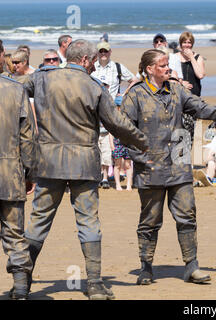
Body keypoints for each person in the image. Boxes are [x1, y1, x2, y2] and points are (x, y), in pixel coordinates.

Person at [22, 39, 150, 300]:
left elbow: (14, 92)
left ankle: (22, 283)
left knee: (38, 223)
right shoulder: (94, 87)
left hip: (49, 164)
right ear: (84, 60)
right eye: (91, 62)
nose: (93, 66)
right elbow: (117, 124)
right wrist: (142, 141)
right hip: (83, 165)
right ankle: (94, 285)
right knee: (88, 222)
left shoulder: (43, 78)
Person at [120, 49, 216, 286]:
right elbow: (124, 130)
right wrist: (140, 157)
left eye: (168, 65)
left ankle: (191, 267)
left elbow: (198, 107)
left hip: (179, 165)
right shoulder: (135, 95)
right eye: (163, 65)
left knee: (187, 216)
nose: (168, 69)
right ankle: (146, 267)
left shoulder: (177, 90)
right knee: (150, 221)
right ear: (150, 69)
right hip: (150, 168)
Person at [0, 40, 36, 300]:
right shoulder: (15, 90)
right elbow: (28, 138)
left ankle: (22, 287)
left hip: (11, 172)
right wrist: (29, 172)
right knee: (15, 234)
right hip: (10, 173)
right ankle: (21, 288)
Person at [91, 41, 139, 190]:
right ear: (97, 53)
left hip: (112, 108)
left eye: (106, 51)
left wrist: (124, 94)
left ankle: (107, 176)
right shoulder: (92, 67)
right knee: (95, 139)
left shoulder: (117, 67)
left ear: (110, 52)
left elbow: (134, 80)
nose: (103, 54)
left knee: (110, 141)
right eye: (101, 52)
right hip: (93, 108)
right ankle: (98, 174)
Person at [176, 31, 206, 146]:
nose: (187, 45)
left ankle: (195, 159)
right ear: (181, 43)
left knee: (195, 130)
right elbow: (169, 77)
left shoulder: (198, 57)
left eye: (189, 43)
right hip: (179, 98)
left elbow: (200, 75)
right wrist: (181, 82)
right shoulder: (175, 57)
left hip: (194, 98)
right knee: (181, 130)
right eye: (184, 42)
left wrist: (191, 58)